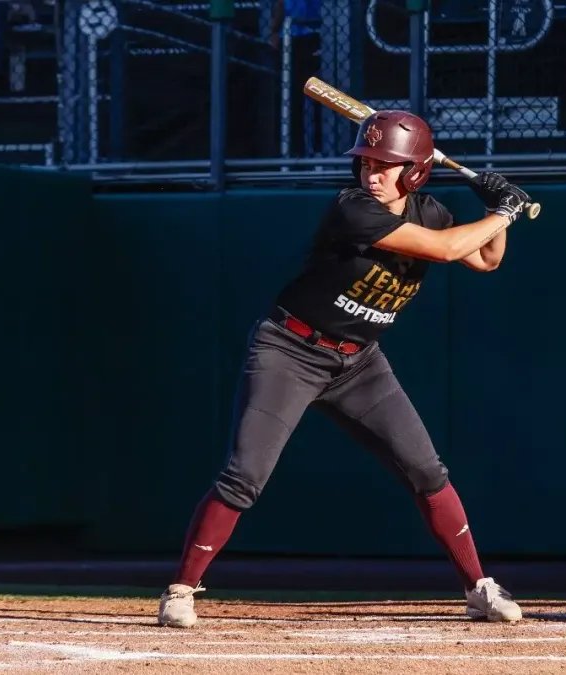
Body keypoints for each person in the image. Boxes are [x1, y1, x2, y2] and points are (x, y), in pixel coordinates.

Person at [156, 110, 533, 628]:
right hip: (289, 349)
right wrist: (507, 212)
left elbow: (486, 259)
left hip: (359, 363)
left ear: (416, 172)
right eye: (367, 162)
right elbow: (447, 251)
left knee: (426, 470)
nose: (371, 174)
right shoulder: (353, 209)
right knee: (245, 475)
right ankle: (181, 588)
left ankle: (478, 587)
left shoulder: (432, 210)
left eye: (386, 165)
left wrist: (495, 206)